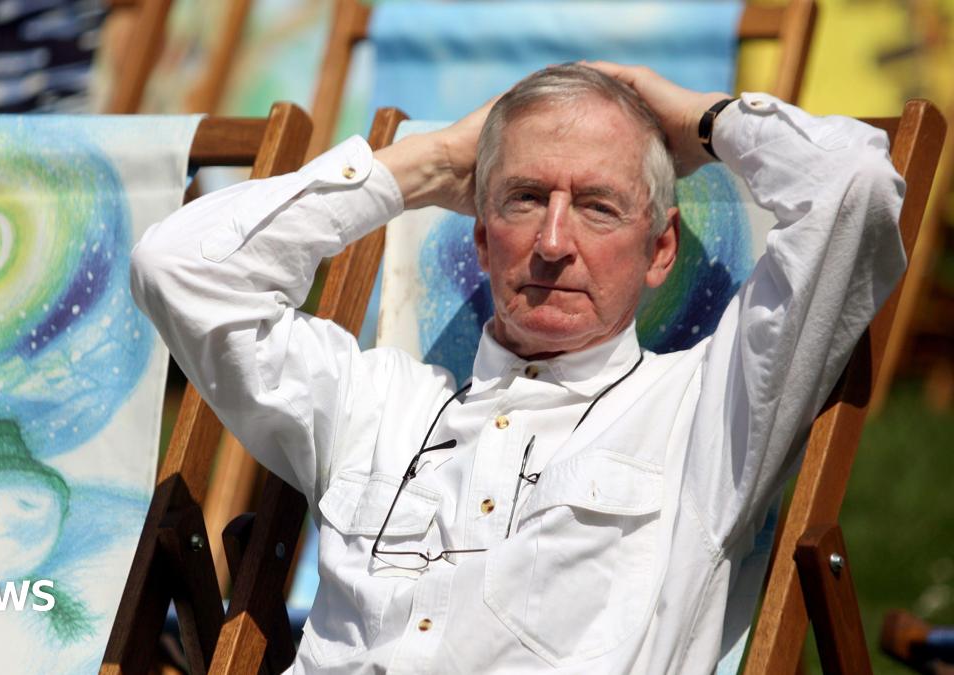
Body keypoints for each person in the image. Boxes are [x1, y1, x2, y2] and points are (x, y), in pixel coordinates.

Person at [129, 63, 906, 673]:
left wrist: (699, 116)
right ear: (478, 237)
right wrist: (423, 164)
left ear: (660, 248)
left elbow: (855, 189)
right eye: (525, 199)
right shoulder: (375, 400)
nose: (554, 242)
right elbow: (177, 269)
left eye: (598, 205)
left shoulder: (711, 413)